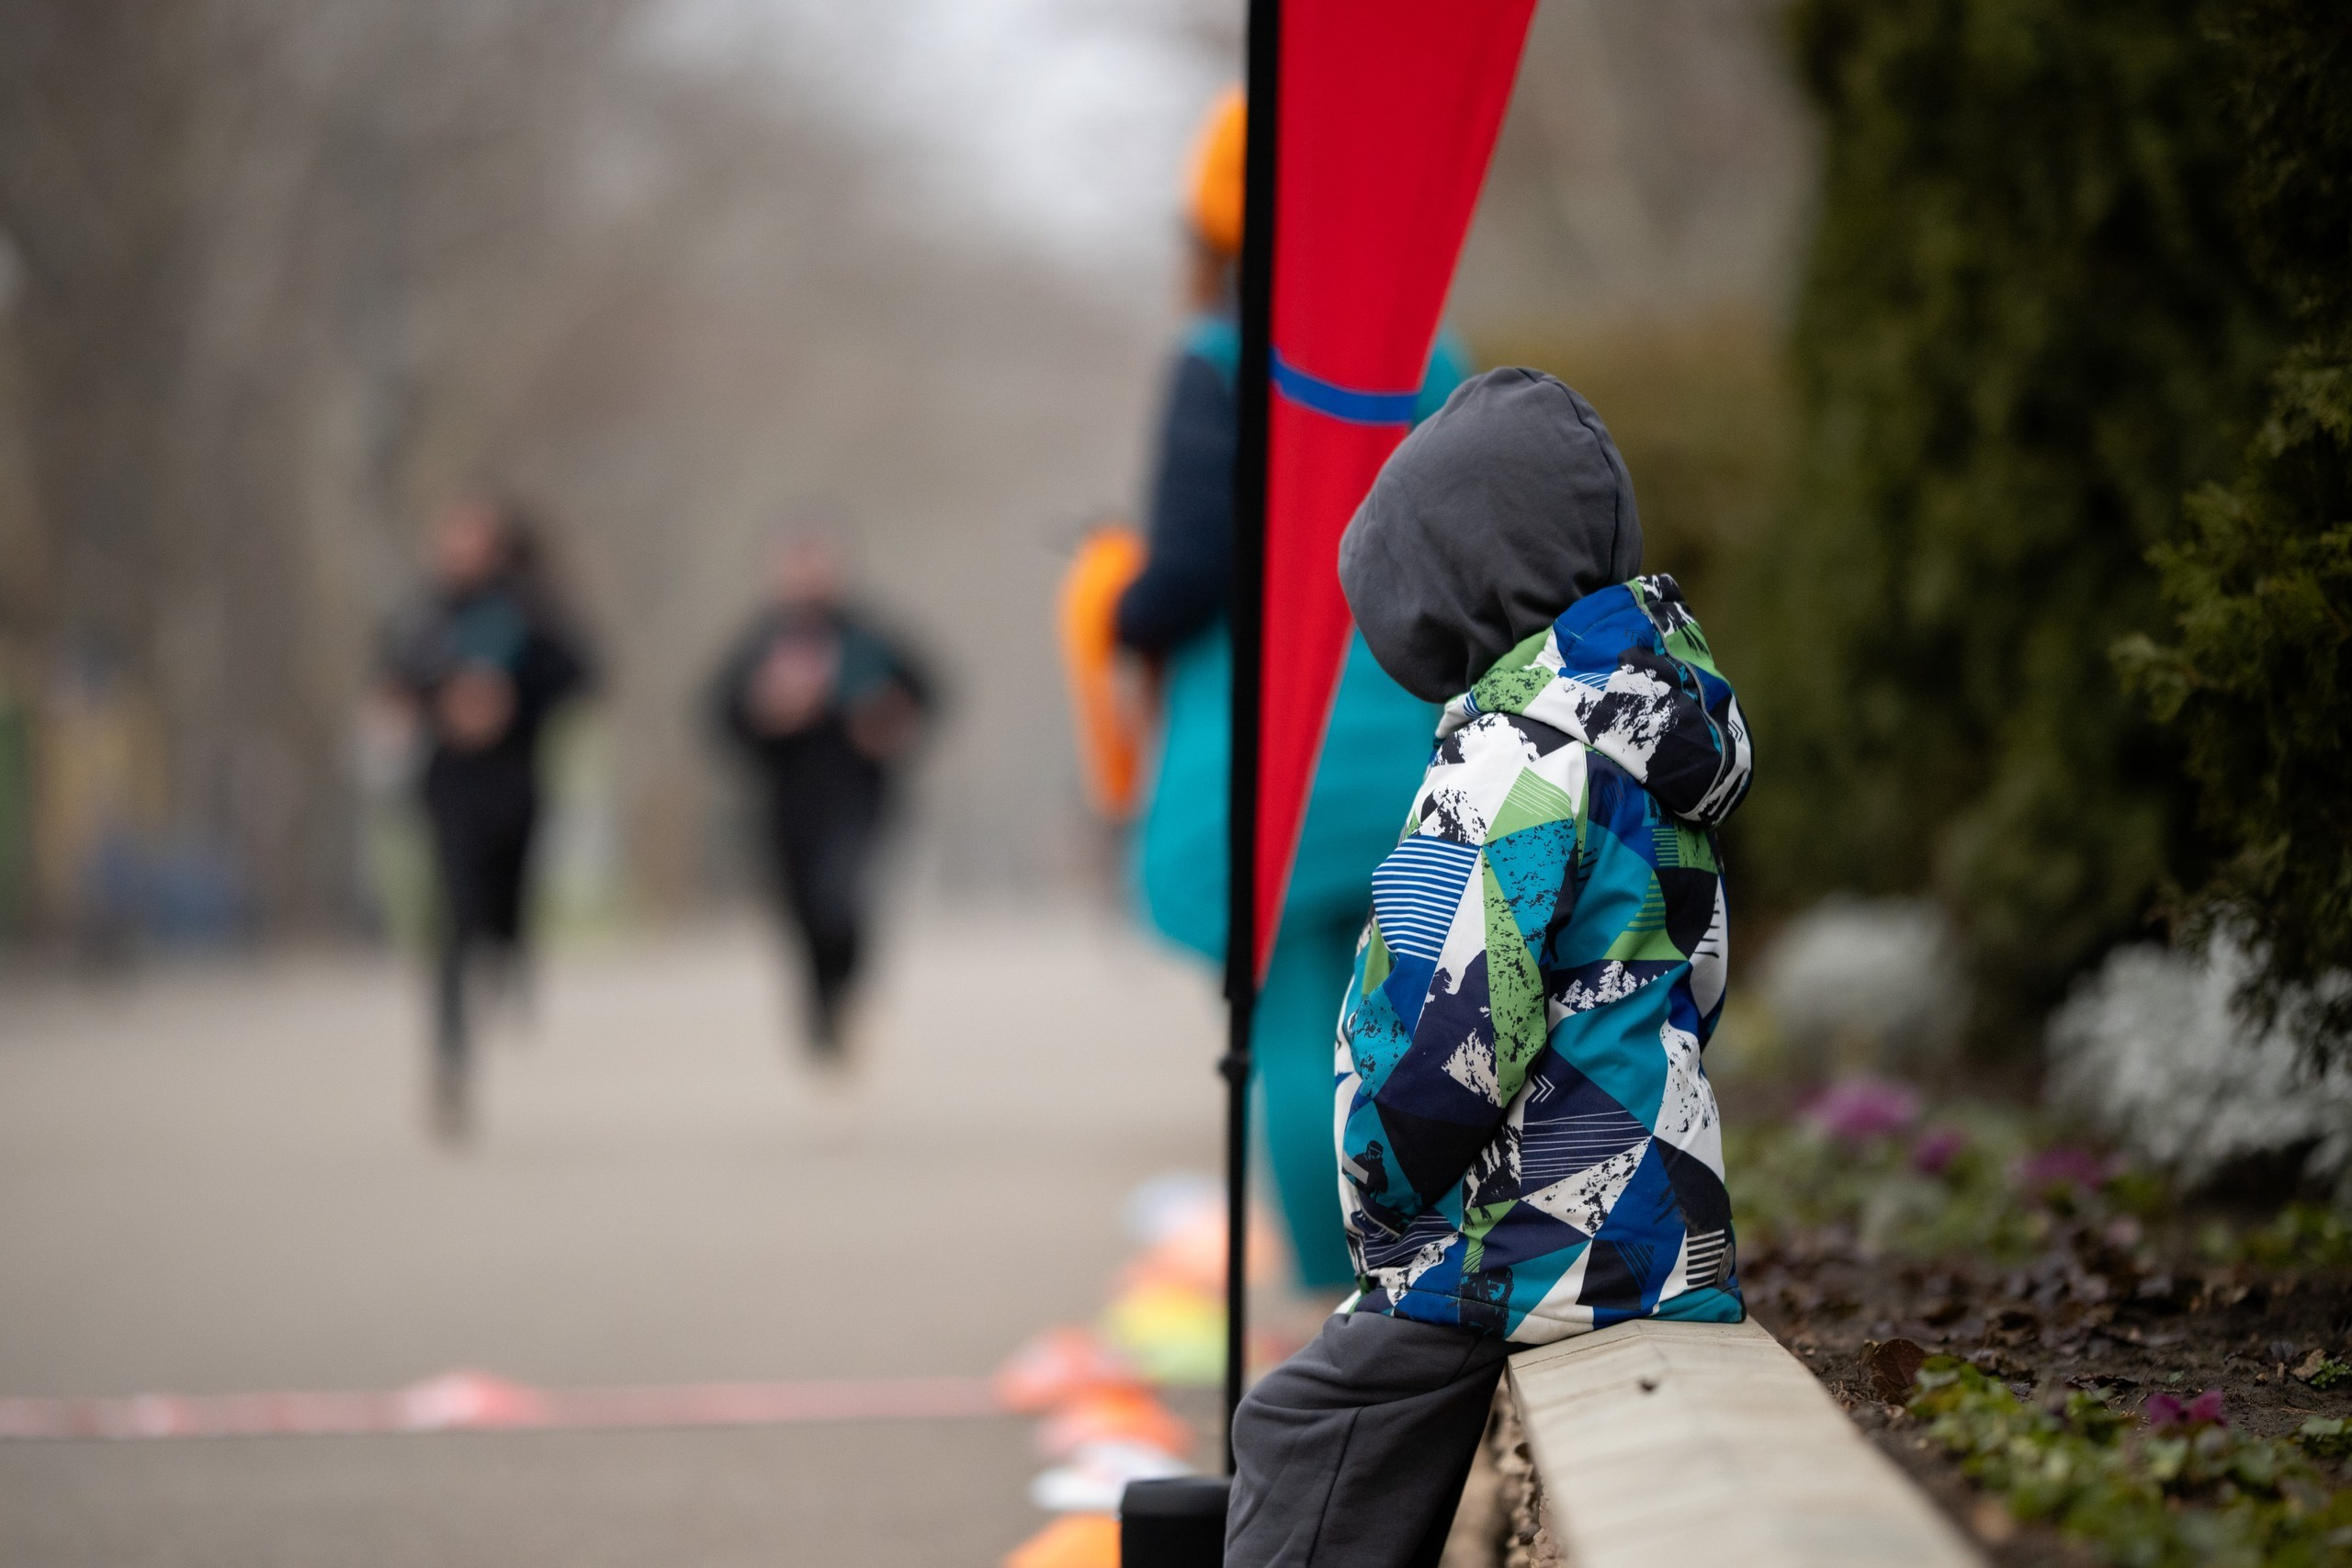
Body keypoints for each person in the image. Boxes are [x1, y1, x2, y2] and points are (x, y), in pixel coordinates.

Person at [1223, 369, 1755, 1566]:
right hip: (1658, 1220)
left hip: (1519, 1236)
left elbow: (1443, 1024)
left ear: (1449, 584)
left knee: (1302, 1424)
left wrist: (1379, 1180)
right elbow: (1700, 971)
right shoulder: (1643, 729)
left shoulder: (1506, 756)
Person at [1118, 88, 1474, 1292]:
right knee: (1415, 1036)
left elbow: (1183, 575)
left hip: (1270, 748)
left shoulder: (1215, 359)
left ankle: (1333, 1306)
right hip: (1421, 737)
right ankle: (1424, 1288)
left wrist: (1114, 598)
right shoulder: (1432, 358)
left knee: (1291, 1028)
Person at [380, 494, 594, 1142]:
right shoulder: (423, 615)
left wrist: (509, 702)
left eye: (474, 534)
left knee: (506, 902)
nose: (460, 547)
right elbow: (392, 683)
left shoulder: (529, 610)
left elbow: (580, 677)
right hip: (447, 784)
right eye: (452, 533)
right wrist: (424, 707)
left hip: (516, 782)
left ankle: (512, 956)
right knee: (453, 913)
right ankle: (449, 1055)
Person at [711, 535, 933, 1063]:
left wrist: (889, 722)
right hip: (786, 802)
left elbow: (930, 695)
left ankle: (850, 989)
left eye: (816, 566)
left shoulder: (871, 637)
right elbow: (720, 716)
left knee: (844, 897)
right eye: (795, 567)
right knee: (800, 912)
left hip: (861, 797)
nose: (806, 578)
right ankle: (820, 1009)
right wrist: (767, 713)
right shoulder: (760, 642)